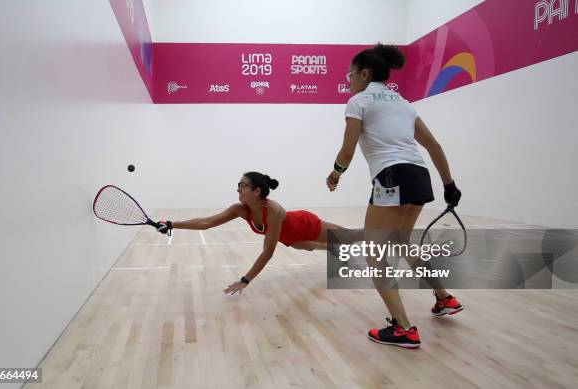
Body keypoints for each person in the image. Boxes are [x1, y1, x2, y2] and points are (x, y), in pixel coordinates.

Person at [326, 43, 463, 349]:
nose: (348, 79)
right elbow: (435, 146)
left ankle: (403, 328)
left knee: (375, 255)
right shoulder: (404, 103)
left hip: (391, 177)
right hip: (419, 176)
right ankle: (444, 298)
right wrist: (449, 184)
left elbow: (347, 150)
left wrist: (335, 173)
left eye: (350, 74)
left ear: (364, 73)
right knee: (402, 243)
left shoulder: (358, 101)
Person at [156, 171, 343, 295]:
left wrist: (245, 280)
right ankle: (332, 250)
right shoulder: (241, 209)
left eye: (243, 185)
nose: (238, 188)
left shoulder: (273, 211)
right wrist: (172, 224)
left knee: (347, 238)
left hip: (305, 225)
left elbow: (268, 252)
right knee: (309, 247)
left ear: (256, 191)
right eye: (239, 184)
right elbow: (207, 222)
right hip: (289, 238)